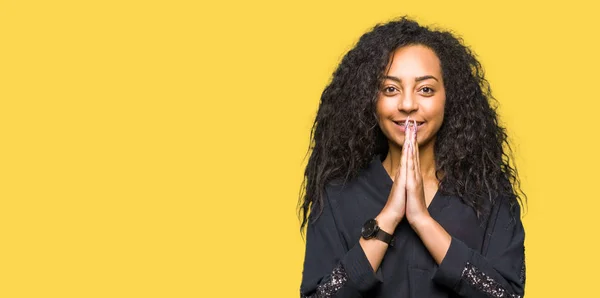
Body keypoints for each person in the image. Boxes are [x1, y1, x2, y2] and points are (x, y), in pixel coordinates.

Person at [297, 16, 527, 298]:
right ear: (371, 98)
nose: (407, 105)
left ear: (448, 97)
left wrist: (422, 220)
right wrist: (389, 218)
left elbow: (507, 295)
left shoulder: (490, 195)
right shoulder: (337, 195)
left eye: (426, 89)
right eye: (390, 89)